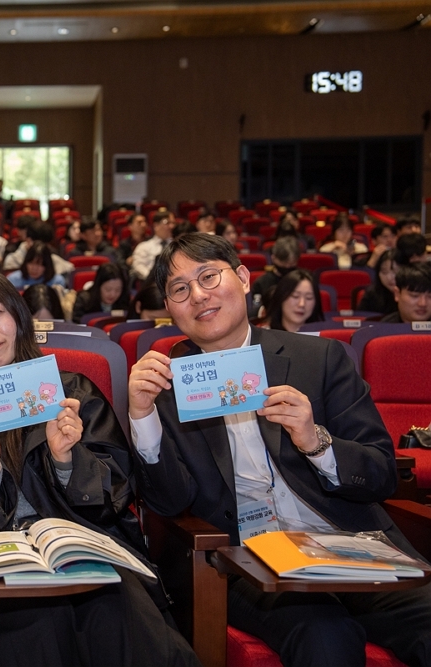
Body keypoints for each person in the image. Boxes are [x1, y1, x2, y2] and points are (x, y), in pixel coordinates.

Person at [129, 233, 431, 667]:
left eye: (209, 277)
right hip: (244, 562)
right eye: (180, 289)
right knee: (326, 636)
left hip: (350, 546)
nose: (198, 295)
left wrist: (316, 441)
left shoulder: (322, 358)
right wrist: (141, 416)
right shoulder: (167, 385)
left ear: (245, 278)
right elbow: (169, 502)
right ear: (170, 308)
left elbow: (382, 472)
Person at [0, 268, 198, 667]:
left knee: (111, 613)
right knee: (31, 626)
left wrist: (67, 459)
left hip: (89, 565)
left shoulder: (74, 394)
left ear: (17, 317)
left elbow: (118, 493)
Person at [250, 236, 301, 313]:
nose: (287, 267)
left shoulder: (304, 282)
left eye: (291, 264)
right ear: (273, 258)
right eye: (284, 263)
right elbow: (255, 312)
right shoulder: (261, 283)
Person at [130, 210, 175, 280]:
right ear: (156, 225)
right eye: (167, 222)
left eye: (173, 223)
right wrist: (156, 280)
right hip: (152, 284)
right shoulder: (143, 247)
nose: (171, 226)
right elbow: (138, 267)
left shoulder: (178, 246)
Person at [358, 250, 399, 315]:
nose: (389, 277)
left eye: (395, 272)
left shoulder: (412, 295)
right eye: (384, 272)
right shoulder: (371, 294)